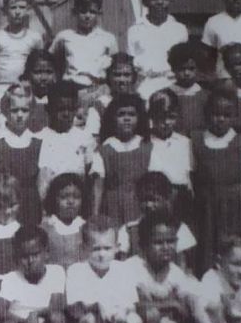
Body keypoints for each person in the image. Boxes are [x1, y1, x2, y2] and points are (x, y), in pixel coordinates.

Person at [192, 89, 241, 275]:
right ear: (207, 115)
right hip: (208, 208)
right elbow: (193, 176)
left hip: (238, 208)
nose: (220, 119)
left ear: (235, 116)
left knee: (238, 249)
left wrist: (238, 198)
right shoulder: (197, 141)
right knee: (210, 248)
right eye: (215, 114)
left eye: (226, 115)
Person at [66, 216, 143, 323]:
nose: (101, 254)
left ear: (117, 248)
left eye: (107, 248)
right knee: (89, 321)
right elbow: (74, 308)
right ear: (83, 248)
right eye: (95, 249)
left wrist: (121, 314)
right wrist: (96, 308)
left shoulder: (124, 269)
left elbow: (131, 305)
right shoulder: (76, 270)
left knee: (134, 321)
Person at [124, 211, 201, 323]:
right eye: (158, 243)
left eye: (171, 241)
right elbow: (134, 304)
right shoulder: (132, 267)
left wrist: (183, 306)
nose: (166, 247)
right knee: (150, 311)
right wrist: (171, 304)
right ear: (144, 245)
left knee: (193, 305)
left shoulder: (176, 272)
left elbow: (186, 307)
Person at [117, 172, 196, 273]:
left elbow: (184, 267)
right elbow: (122, 266)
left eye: (154, 200)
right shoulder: (128, 230)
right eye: (144, 200)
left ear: (167, 199)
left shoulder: (179, 228)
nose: (149, 205)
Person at [92, 93, 151, 225]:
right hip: (112, 206)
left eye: (131, 114)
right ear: (113, 118)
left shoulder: (147, 146)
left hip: (140, 204)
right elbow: (98, 186)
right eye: (121, 114)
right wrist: (95, 215)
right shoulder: (105, 148)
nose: (127, 119)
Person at [127, 0, 188, 100]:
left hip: (172, 84)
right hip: (144, 85)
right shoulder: (135, 30)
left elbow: (183, 63)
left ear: (170, 0)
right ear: (145, 2)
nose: (160, 2)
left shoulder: (179, 29)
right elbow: (131, 62)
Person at [49, 0, 118, 88]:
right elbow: (50, 60)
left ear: (99, 13)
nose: (87, 16)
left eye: (92, 12)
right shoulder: (64, 36)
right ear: (75, 12)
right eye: (83, 11)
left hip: (97, 89)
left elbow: (114, 67)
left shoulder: (108, 38)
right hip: (70, 88)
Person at [37, 81, 95, 198]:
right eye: (60, 109)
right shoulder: (39, 138)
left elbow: (90, 173)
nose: (66, 114)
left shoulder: (85, 138)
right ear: (48, 109)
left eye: (70, 109)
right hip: (48, 200)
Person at [0, 84, 43, 225]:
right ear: (5, 111)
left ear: (32, 112)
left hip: (32, 206)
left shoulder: (38, 143)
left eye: (25, 110)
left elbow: (42, 183)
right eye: (14, 110)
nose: (20, 115)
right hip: (6, 206)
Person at [0, 0, 43, 100]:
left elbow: (39, 67)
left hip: (26, 90)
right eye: (13, 7)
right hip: (2, 90)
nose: (17, 12)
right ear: (5, 10)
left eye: (22, 7)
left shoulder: (35, 38)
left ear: (28, 10)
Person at [146, 89, 194, 224]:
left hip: (181, 199)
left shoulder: (185, 143)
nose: (166, 122)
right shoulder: (145, 143)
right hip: (154, 199)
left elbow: (189, 176)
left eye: (171, 117)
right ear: (151, 117)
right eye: (161, 117)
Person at [41, 173, 87, 269]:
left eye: (76, 197)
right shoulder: (45, 228)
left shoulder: (86, 228)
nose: (70, 201)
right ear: (53, 199)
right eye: (64, 197)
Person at [166, 42, 210, 138]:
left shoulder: (206, 97)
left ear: (198, 69)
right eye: (182, 69)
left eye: (191, 68)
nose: (186, 73)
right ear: (173, 69)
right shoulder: (165, 95)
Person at [19, 49, 58, 133]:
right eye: (37, 72)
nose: (43, 78)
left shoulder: (59, 99)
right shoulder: (19, 98)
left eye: (49, 72)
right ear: (28, 73)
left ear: (55, 74)